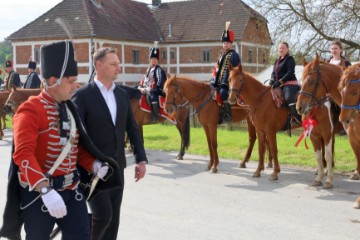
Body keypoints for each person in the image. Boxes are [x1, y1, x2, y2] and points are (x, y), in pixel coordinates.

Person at [0, 40, 121, 240]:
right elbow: (23, 154)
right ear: (54, 80)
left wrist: (93, 164)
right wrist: (45, 189)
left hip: (71, 190)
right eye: (71, 81)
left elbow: (74, 148)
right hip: (40, 193)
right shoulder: (30, 110)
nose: (76, 85)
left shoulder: (69, 108)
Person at [72, 47, 147, 240]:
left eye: (118, 64)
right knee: (103, 216)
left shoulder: (121, 94)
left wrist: (140, 159)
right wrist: (88, 164)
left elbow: (132, 128)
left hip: (117, 167)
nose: (118, 68)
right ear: (99, 65)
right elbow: (76, 136)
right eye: (113, 64)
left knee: (114, 220)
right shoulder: (83, 96)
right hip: (93, 170)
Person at [210, 21, 241, 123]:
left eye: (227, 43)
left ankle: (227, 115)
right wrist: (213, 81)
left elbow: (236, 72)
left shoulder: (234, 55)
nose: (225, 45)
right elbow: (217, 70)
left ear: (231, 44)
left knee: (223, 93)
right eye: (224, 43)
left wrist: (227, 82)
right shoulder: (222, 56)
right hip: (219, 83)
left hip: (229, 84)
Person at [269, 41, 301, 125]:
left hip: (289, 83)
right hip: (278, 83)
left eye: (283, 48)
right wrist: (272, 79)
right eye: (280, 48)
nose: (281, 49)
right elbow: (273, 72)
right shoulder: (277, 60)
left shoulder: (290, 59)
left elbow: (290, 73)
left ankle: (296, 117)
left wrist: (279, 82)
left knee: (288, 97)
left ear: (287, 49)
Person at [326, 40, 351, 135]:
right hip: (328, 91)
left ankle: (342, 126)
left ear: (341, 49)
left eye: (336, 48)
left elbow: (350, 78)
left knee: (342, 104)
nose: (334, 50)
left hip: (342, 90)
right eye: (332, 48)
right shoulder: (327, 62)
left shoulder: (346, 62)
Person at [138, 41, 167, 122]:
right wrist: (140, 86)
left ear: (157, 60)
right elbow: (144, 79)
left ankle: (155, 115)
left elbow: (160, 81)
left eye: (154, 59)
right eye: (152, 59)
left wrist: (153, 89)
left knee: (152, 96)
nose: (153, 61)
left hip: (157, 90)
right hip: (147, 89)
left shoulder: (158, 69)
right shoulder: (148, 69)